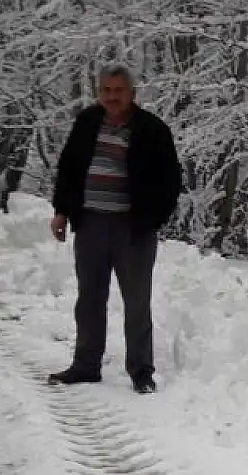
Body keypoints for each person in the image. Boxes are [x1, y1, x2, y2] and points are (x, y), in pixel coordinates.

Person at [47, 64, 183, 393]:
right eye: (106, 90)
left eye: (118, 91)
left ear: (131, 93)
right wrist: (62, 211)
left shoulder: (152, 129)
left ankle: (141, 371)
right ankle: (86, 365)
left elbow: (171, 180)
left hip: (133, 229)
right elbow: (69, 168)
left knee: (137, 302)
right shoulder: (87, 123)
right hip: (91, 223)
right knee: (89, 298)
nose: (112, 97)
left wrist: (153, 219)